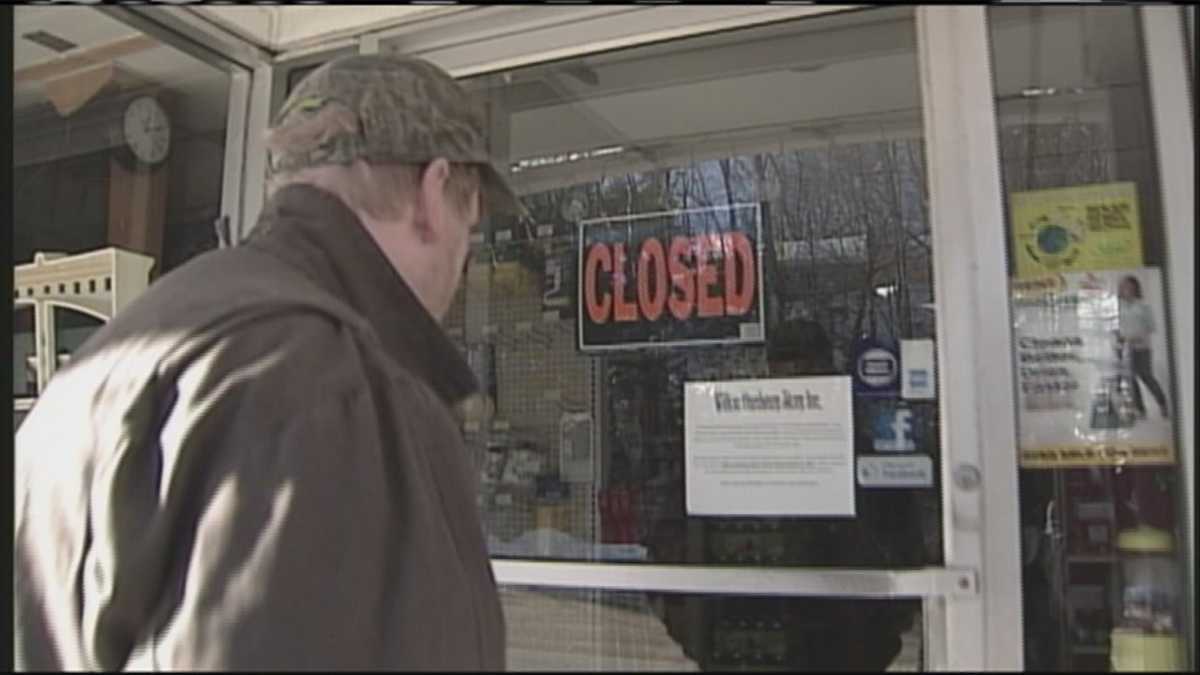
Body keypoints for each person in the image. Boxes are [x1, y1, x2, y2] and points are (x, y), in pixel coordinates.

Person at [14, 55, 524, 671]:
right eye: (469, 223)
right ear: (435, 192)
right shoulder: (338, 385)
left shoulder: (110, 357)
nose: (462, 258)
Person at [1116, 275, 1169, 419]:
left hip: (1142, 346)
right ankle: (1140, 410)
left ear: (1134, 288)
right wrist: (1119, 338)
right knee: (1130, 379)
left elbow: (1151, 327)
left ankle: (1162, 404)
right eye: (1122, 286)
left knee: (1146, 376)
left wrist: (1137, 337)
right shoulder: (1117, 306)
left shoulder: (1143, 306)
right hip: (1124, 348)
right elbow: (1115, 326)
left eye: (1127, 286)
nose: (1124, 289)